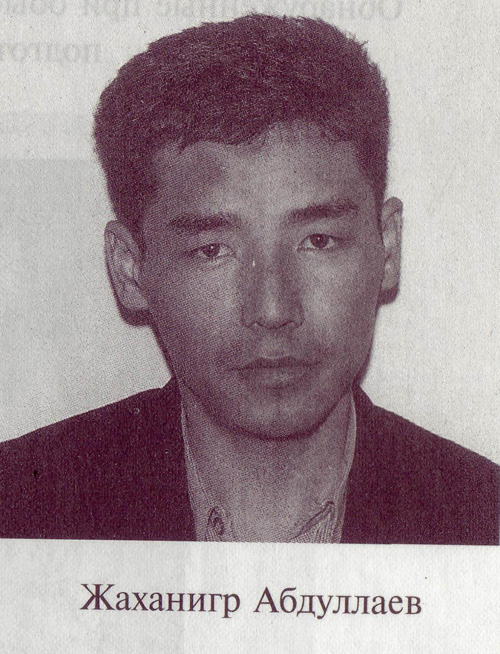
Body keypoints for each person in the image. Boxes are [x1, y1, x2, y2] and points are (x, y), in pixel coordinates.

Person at [0, 14, 497, 544]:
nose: (273, 309)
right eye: (213, 250)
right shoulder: (20, 508)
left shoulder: (484, 521)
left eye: (318, 240)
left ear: (388, 247)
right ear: (130, 269)